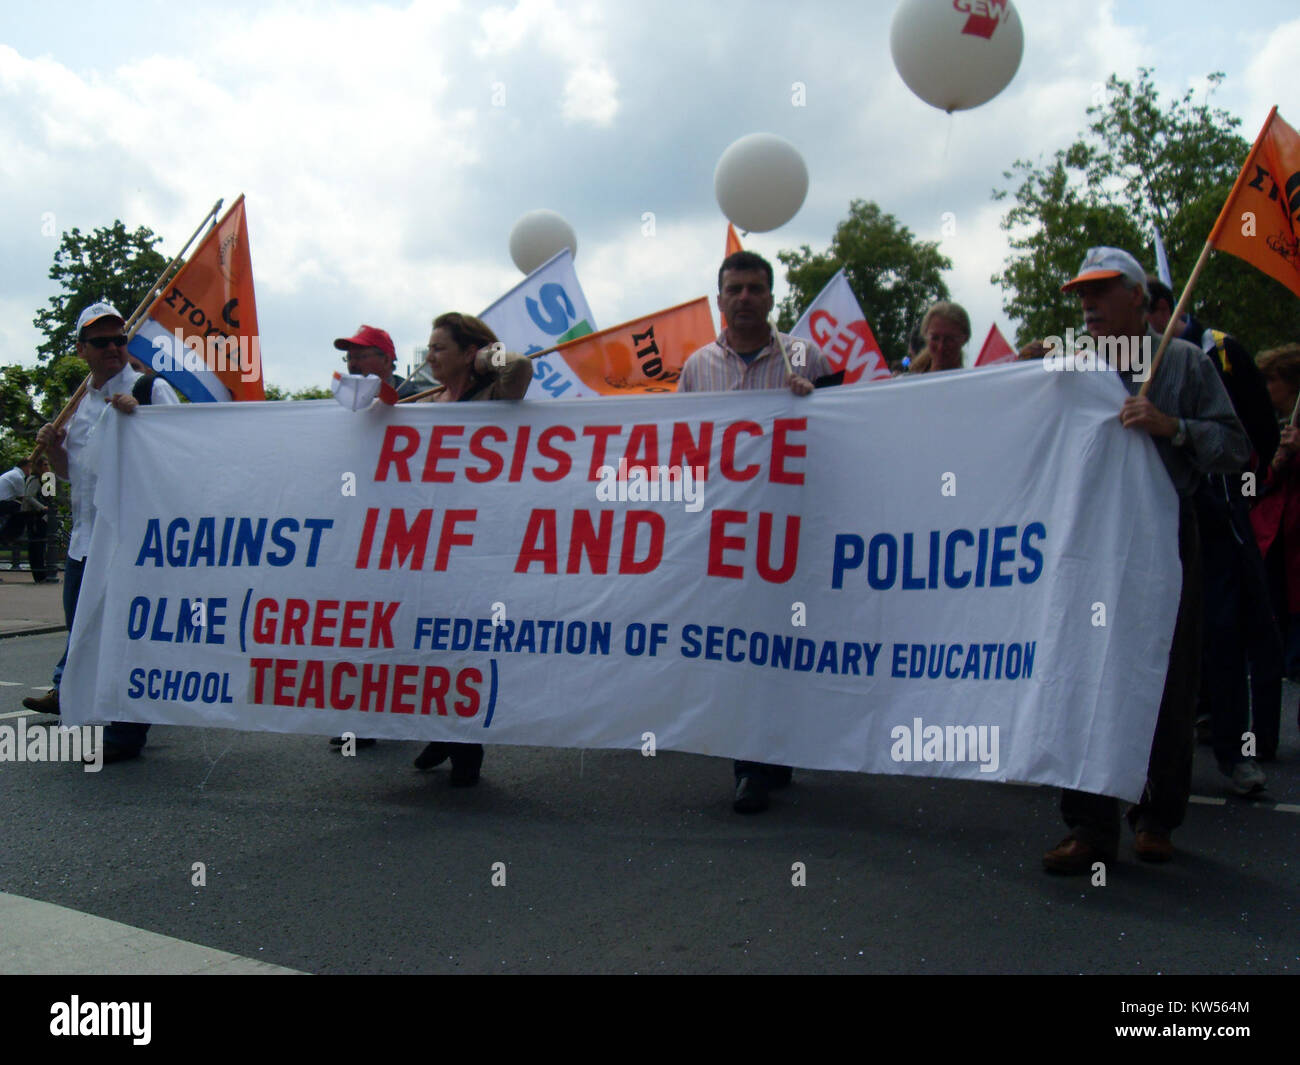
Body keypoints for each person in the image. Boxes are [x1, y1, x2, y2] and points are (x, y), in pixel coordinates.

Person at [1041, 247, 1250, 874]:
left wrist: (1172, 427)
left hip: (1163, 537)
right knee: (1079, 673)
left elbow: (1237, 447)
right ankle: (1088, 825)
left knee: (1166, 672)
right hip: (1085, 542)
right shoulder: (1068, 367)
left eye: (1102, 291)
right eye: (1082, 293)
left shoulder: (1183, 362)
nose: (1088, 304)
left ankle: (1156, 816)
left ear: (1138, 295)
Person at [677, 250, 831, 814]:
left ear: (772, 297)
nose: (745, 298)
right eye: (734, 288)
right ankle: (750, 764)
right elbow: (686, 450)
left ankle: (777, 747)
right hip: (726, 535)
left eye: (756, 288)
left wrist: (818, 404)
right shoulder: (696, 368)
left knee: (783, 641)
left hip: (792, 528)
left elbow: (845, 437)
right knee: (741, 645)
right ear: (719, 297)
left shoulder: (805, 357)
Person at [23, 302, 180, 761]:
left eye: (119, 339)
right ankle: (90, 707)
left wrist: (142, 423)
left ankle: (127, 732)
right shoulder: (81, 404)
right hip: (84, 543)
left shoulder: (151, 390)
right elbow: (74, 474)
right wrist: (53, 450)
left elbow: (180, 454)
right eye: (101, 341)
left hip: (132, 540)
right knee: (86, 631)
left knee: (126, 635)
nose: (113, 348)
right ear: (81, 350)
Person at [1146, 279, 1280, 782]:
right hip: (1141, 520)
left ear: (1158, 308)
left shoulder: (1215, 352)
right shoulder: (1109, 361)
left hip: (1211, 511)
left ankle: (1235, 748)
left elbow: (1252, 437)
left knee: (1224, 629)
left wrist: (1245, 493)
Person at [410, 312, 533, 785]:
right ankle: (442, 730)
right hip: (428, 540)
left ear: (468, 353)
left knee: (465, 641)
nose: (431, 356)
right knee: (429, 642)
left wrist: (488, 356)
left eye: (441, 348)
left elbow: (519, 367)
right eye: (429, 348)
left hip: (479, 539)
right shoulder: (427, 401)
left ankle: (465, 744)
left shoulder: (491, 393)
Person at [1251, 343, 1300, 723]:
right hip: (1272, 545)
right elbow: (1253, 485)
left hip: (1294, 548)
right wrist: (1275, 462)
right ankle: (1262, 737)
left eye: (1272, 380)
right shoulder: (1268, 428)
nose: (1266, 389)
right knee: (1267, 641)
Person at [333, 324, 423, 400]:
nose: (352, 364)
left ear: (386, 360)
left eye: (359, 357)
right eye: (349, 358)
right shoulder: (343, 402)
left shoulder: (416, 401)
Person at [907, 301, 971, 374]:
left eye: (949, 339)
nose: (941, 346)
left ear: (965, 339)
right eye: (935, 338)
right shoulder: (906, 382)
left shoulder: (973, 383)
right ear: (925, 335)